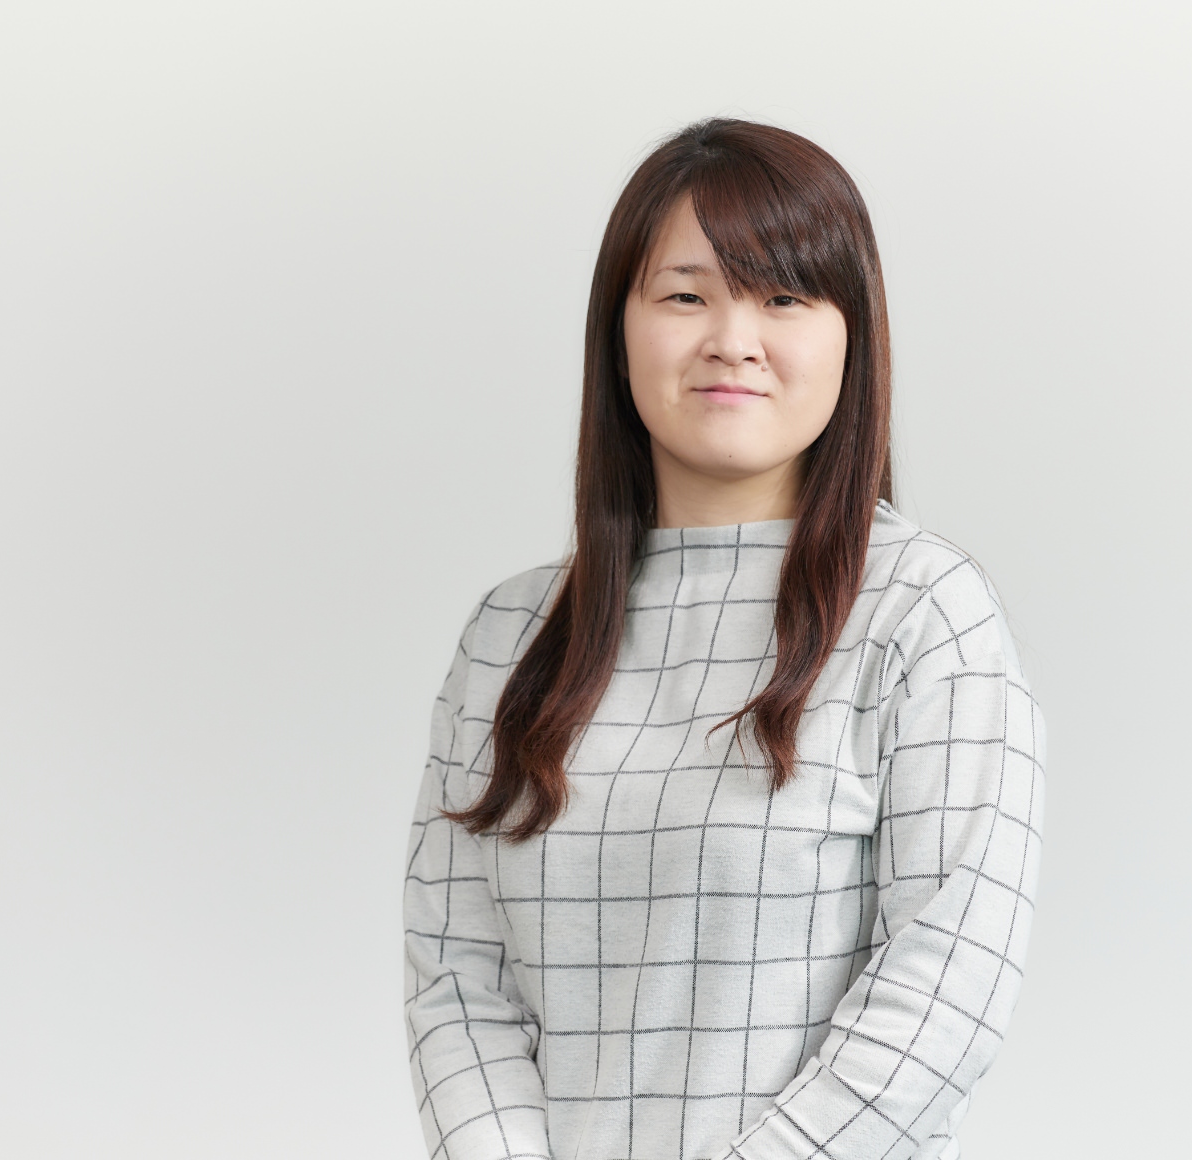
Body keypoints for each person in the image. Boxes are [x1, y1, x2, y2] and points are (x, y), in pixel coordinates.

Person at [402, 117, 1045, 1160]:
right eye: (685, 295)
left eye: (783, 296)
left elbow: (944, 992)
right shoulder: (510, 636)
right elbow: (457, 983)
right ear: (619, 328)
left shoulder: (923, 612)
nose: (733, 339)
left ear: (851, 335)